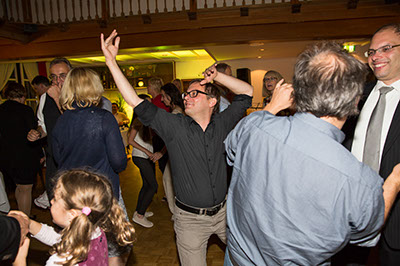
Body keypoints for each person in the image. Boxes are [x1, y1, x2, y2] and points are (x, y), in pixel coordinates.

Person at [224, 41, 400, 265]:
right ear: (355, 100)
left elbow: (231, 147)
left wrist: (271, 108)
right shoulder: (360, 181)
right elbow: (366, 231)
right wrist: (394, 182)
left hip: (237, 258)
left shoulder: (255, 126)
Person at [101, 29, 253, 266]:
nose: (186, 98)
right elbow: (134, 101)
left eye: (194, 93)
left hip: (224, 215)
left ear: (212, 101)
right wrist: (111, 62)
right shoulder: (174, 126)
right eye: (185, 94)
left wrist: (217, 77)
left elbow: (246, 93)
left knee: (247, 260)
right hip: (189, 221)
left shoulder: (222, 124)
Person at [340, 23, 400, 265]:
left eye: (385, 48)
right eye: (372, 52)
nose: (376, 57)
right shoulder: (357, 96)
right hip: (352, 209)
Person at [28, 58, 113, 209]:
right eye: (53, 77)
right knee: (60, 209)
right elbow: (44, 126)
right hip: (55, 162)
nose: (57, 81)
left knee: (84, 208)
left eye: (62, 76)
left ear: (72, 76)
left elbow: (75, 125)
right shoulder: (44, 98)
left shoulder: (84, 98)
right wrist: (38, 133)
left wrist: (57, 99)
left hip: (82, 165)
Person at [20, 169, 135, 266]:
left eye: (55, 199)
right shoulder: (95, 231)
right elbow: (60, 239)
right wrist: (29, 224)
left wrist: (19, 261)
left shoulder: (60, 261)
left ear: (72, 214)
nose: (51, 201)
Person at [0, 82, 41, 216]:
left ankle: (20, 217)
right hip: (24, 155)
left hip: (5, 156)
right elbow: (34, 133)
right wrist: (40, 154)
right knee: (25, 189)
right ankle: (25, 222)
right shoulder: (25, 110)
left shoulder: (1, 109)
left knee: (19, 188)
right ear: (22, 95)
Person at [128, 94, 157, 228]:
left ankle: (140, 212)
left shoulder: (145, 120)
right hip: (140, 156)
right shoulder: (138, 120)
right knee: (153, 186)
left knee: (146, 185)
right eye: (148, 103)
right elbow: (130, 141)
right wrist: (147, 152)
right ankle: (139, 215)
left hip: (145, 156)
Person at [160, 83, 184, 215]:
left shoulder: (176, 114)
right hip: (176, 155)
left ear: (170, 96)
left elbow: (173, 139)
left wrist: (162, 152)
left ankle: (177, 214)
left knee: (168, 182)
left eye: (164, 96)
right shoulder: (179, 111)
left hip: (177, 156)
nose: (162, 99)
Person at [147, 77, 170, 174]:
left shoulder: (157, 103)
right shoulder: (157, 101)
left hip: (161, 138)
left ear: (152, 87)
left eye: (148, 85)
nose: (147, 88)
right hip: (161, 138)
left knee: (164, 167)